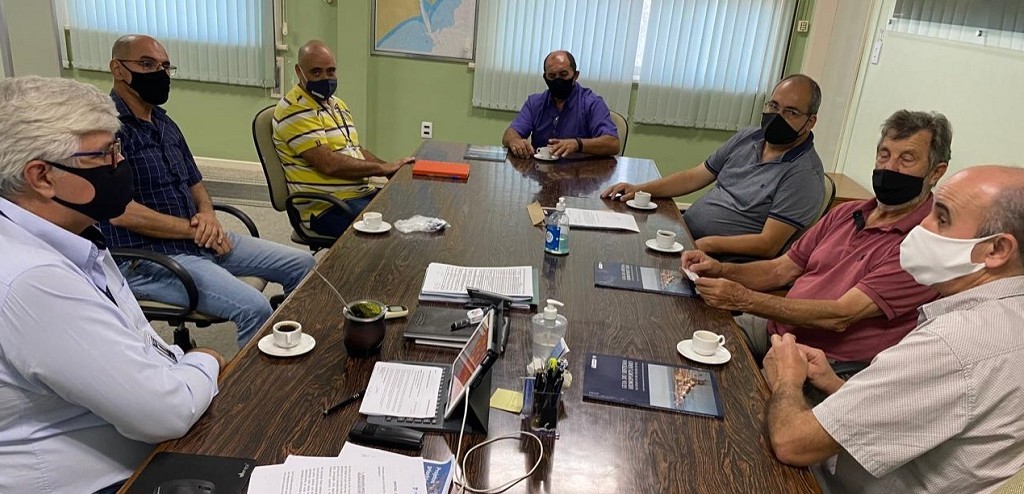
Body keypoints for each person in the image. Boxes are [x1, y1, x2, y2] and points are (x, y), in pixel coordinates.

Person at [0, 76, 223, 494]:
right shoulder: (33, 279)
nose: (120, 163)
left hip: (138, 444)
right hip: (95, 481)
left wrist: (180, 365)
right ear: (42, 176)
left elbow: (139, 342)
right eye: (104, 154)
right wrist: (205, 358)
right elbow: (164, 413)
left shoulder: (72, 233)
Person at [764, 165, 1024, 493]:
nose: (922, 225)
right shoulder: (1006, 317)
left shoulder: (953, 344)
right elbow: (918, 412)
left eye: (942, 218)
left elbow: (793, 443)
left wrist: (786, 379)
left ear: (997, 250)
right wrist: (833, 384)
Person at [682, 110, 950, 372]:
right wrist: (719, 269)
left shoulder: (923, 246)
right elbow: (780, 270)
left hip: (825, 363)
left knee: (730, 393)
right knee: (688, 337)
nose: (890, 167)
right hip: (778, 329)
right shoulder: (847, 213)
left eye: (906, 159)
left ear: (936, 172)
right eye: (884, 155)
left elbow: (840, 315)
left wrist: (744, 299)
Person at [101, 34, 316, 346]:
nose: (160, 73)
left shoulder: (164, 123)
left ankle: (291, 349)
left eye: (165, 66)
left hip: (200, 240)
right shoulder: (107, 132)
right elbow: (121, 213)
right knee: (254, 308)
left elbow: (195, 183)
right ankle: (255, 378)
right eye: (147, 64)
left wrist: (208, 216)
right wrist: (194, 230)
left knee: (303, 265)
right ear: (118, 69)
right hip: (150, 259)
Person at [603, 74, 825, 261]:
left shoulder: (804, 175)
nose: (778, 116)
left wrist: (707, 244)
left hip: (720, 261)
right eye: (774, 106)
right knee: (615, 243)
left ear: (811, 121)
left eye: (791, 112)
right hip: (687, 236)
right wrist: (640, 189)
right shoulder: (749, 137)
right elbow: (695, 176)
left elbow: (768, 244)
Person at [273, 40, 414, 238]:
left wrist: (390, 168)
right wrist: (382, 169)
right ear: (299, 71)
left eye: (330, 71)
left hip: (358, 194)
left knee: (412, 207)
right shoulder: (295, 109)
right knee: (397, 230)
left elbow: (355, 150)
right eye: (316, 72)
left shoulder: (337, 104)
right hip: (327, 207)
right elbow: (328, 163)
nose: (325, 78)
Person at [502, 50, 620, 159]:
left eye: (563, 74)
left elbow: (613, 143)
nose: (558, 80)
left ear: (575, 75)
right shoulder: (534, 103)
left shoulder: (592, 103)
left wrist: (578, 144)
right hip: (540, 171)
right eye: (552, 76)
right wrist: (514, 141)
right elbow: (510, 134)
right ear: (545, 77)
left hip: (580, 171)